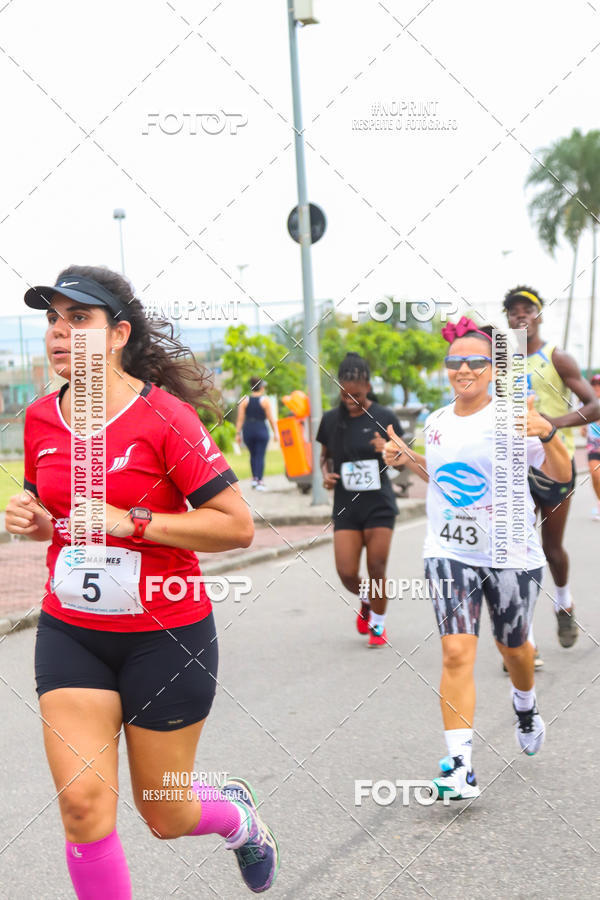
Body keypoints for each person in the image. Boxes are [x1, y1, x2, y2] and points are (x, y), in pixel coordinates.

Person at [5, 266, 279, 898]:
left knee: (165, 813)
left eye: (80, 319)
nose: (60, 333)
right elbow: (51, 513)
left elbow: (235, 527)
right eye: (53, 319)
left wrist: (134, 521)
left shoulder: (165, 417)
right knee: (82, 808)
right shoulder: (43, 419)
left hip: (167, 636)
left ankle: (236, 817)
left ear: (118, 334)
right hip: (73, 632)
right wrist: (31, 519)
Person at [383, 317, 572, 799]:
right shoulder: (438, 421)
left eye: (475, 362)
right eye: (454, 362)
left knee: (514, 652)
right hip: (448, 549)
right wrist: (409, 460)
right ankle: (460, 767)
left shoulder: (514, 417)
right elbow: (444, 478)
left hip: (511, 551)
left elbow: (563, 475)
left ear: (493, 369)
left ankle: (525, 704)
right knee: (455, 651)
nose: (463, 369)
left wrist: (548, 434)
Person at [503, 286, 600, 649]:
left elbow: (594, 406)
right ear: (508, 320)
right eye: (514, 312)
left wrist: (553, 423)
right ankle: (521, 638)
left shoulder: (557, 357)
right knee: (519, 548)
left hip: (555, 465)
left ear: (539, 315)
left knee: (551, 548)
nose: (521, 316)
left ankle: (563, 603)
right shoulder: (500, 362)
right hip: (515, 467)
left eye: (528, 310)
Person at [316, 352, 403, 647]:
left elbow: (404, 463)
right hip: (346, 507)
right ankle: (367, 599)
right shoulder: (330, 421)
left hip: (379, 505)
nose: (350, 399)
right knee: (346, 572)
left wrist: (389, 451)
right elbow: (324, 459)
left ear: (367, 386)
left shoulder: (385, 417)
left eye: (356, 394)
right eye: (344, 394)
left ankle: (378, 625)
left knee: (377, 566)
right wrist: (327, 476)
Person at [235, 378, 278, 491]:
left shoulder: (244, 400)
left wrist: (238, 433)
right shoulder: (265, 400)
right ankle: (260, 481)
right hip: (261, 429)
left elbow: (240, 419)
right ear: (262, 387)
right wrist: (275, 432)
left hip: (248, 429)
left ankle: (254, 479)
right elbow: (270, 418)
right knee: (260, 455)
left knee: (253, 455)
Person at [581, 373, 600, 520]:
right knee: (595, 475)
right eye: (594, 384)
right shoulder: (585, 403)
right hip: (593, 445)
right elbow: (582, 425)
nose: (596, 387)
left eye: (598, 384)